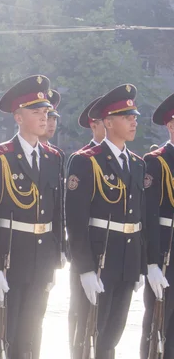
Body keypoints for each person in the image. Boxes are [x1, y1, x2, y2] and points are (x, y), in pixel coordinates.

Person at [66, 84, 155, 359]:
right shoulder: (86, 161)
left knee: (111, 337)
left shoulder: (137, 163)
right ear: (108, 122)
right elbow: (76, 221)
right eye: (126, 117)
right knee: (87, 336)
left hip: (126, 261)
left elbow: (139, 219)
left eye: (134, 117)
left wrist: (141, 265)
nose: (133, 122)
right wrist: (84, 269)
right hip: (99, 259)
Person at [0, 75, 62, 359]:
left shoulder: (53, 157)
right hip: (10, 256)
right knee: (6, 331)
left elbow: (56, 212)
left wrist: (56, 257)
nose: (43, 118)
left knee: (33, 330)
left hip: (41, 258)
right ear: (18, 117)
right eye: (36, 112)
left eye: (46, 112)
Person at [66, 95, 104, 356]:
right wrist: (82, 263)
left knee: (104, 327)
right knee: (81, 318)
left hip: (114, 257)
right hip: (87, 253)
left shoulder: (127, 161)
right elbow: (75, 219)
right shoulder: (83, 159)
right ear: (95, 125)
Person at [140, 93, 174, 358]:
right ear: (170, 125)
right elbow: (148, 216)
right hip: (167, 254)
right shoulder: (157, 160)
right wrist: (151, 263)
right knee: (159, 324)